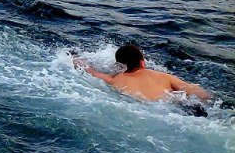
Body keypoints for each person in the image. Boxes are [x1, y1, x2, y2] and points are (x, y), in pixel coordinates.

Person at [73, 44, 212, 109]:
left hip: (143, 109)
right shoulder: (164, 76)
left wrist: (74, 56)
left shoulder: (112, 79)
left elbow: (88, 70)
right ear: (142, 63)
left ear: (119, 66)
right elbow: (196, 91)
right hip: (171, 106)